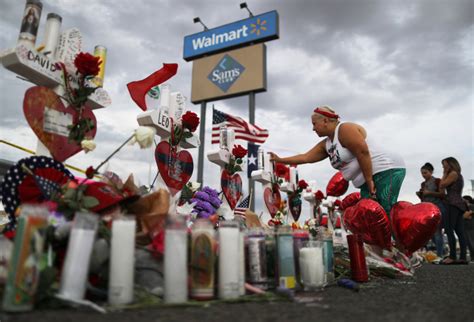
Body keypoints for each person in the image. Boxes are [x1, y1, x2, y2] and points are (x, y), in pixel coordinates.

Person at [269, 106, 406, 215]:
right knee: (367, 215)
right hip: (368, 179)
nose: (313, 128)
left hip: (385, 169)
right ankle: (381, 248)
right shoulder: (327, 144)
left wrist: (369, 180)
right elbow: (306, 157)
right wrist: (280, 160)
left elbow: (363, 152)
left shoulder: (344, 129)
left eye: (314, 124)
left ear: (325, 121)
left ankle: (395, 246)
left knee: (384, 211)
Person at [439, 157, 468, 264]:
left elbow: (442, 185)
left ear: (450, 164)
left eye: (444, 164)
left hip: (452, 204)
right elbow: (442, 188)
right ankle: (463, 257)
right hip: (458, 204)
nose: (443, 166)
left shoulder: (453, 174)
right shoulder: (457, 174)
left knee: (449, 229)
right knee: (460, 231)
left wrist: (444, 173)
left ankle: (452, 256)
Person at [416, 162, 446, 258]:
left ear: (431, 172)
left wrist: (429, 193)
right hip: (427, 209)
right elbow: (424, 198)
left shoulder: (438, 181)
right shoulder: (423, 184)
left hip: (438, 207)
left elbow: (442, 194)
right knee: (430, 232)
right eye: (422, 173)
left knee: (437, 231)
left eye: (425, 173)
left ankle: (440, 254)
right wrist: (420, 194)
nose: (423, 175)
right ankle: (442, 250)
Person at [462, 195, 474, 262]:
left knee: (471, 243)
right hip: (465, 227)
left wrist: (470, 212)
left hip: (471, 227)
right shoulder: (463, 207)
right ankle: (472, 257)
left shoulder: (471, 206)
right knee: (469, 243)